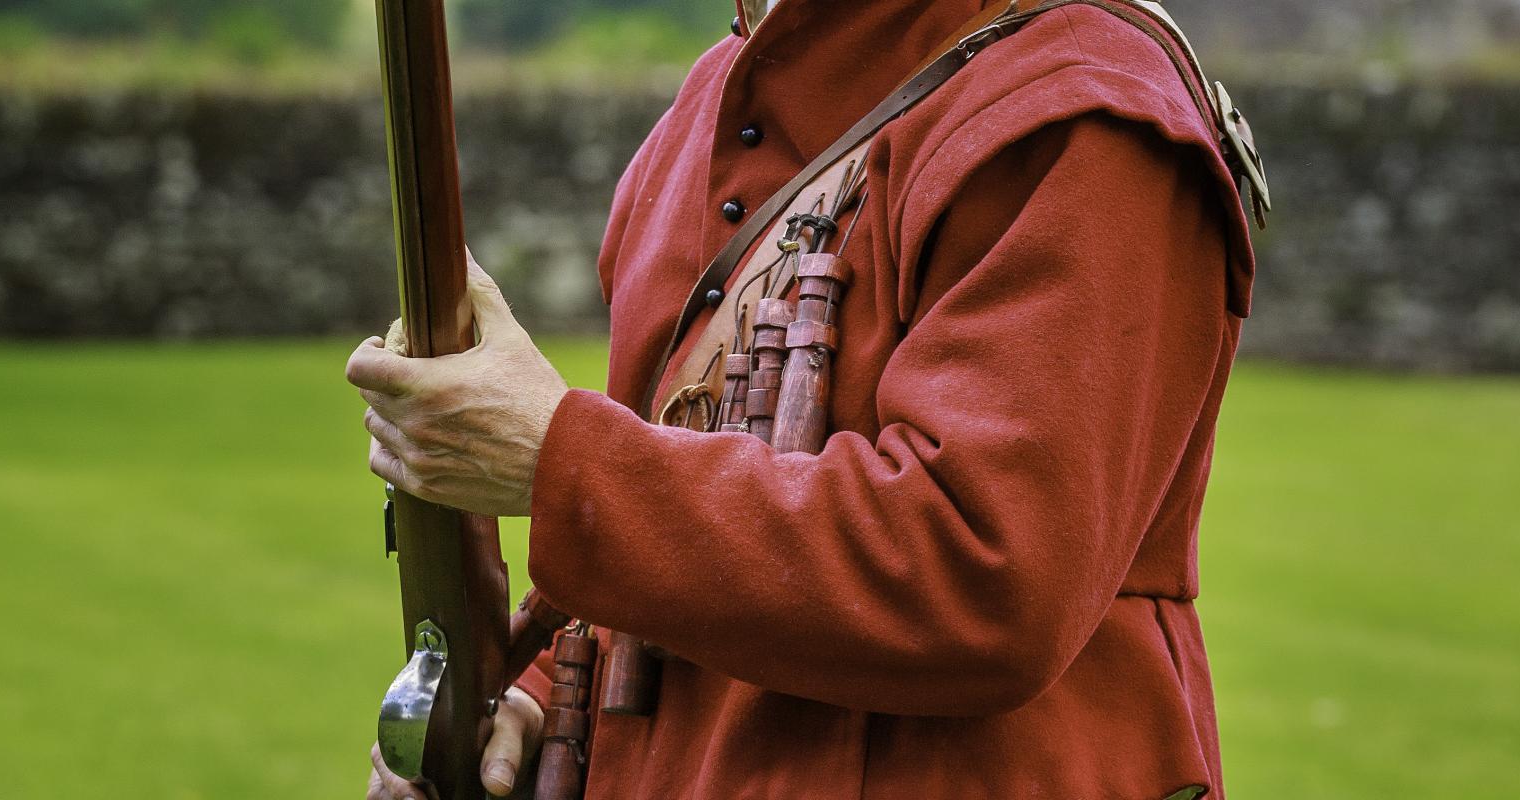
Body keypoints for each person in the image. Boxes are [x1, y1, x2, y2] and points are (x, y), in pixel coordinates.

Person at [350, 0, 1261, 797]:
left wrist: (565, 462)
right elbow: (683, 464)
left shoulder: (1085, 112)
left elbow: (983, 575)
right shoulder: (716, 93)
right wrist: (544, 696)